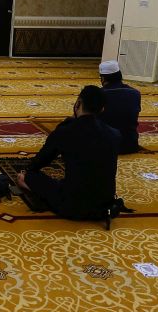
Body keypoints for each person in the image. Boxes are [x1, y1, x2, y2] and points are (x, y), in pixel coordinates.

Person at [17, 85, 120, 220]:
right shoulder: (114, 134)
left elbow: (39, 162)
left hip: (72, 206)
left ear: (78, 103)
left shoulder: (66, 131)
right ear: (102, 109)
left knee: (25, 177)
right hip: (105, 206)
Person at [98, 60, 141, 154]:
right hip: (130, 144)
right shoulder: (135, 93)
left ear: (103, 79)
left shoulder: (97, 94)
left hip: (104, 146)